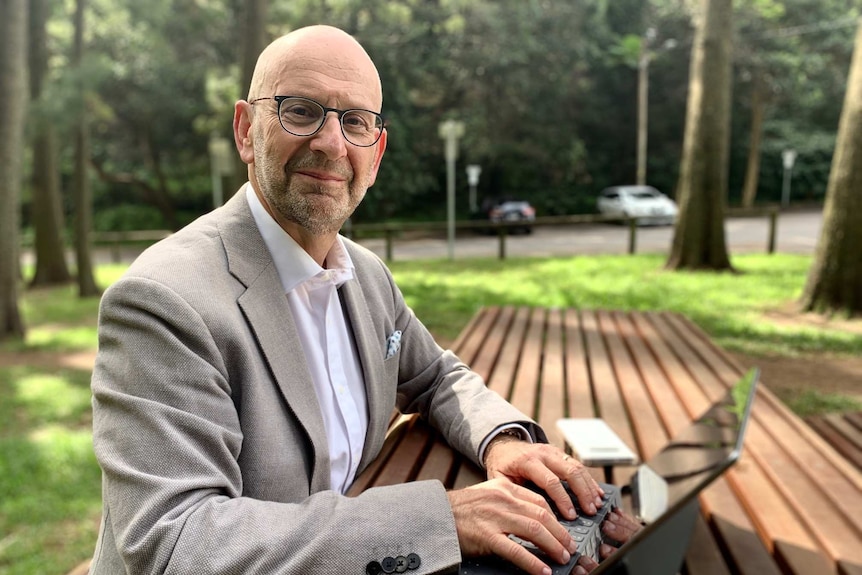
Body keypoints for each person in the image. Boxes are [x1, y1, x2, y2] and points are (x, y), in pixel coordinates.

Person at [89, 25, 622, 575]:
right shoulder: (162, 300)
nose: (330, 142)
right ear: (247, 131)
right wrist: (440, 520)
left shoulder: (365, 275)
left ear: (377, 150)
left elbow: (437, 376)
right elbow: (174, 543)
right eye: (300, 111)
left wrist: (502, 442)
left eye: (355, 122)